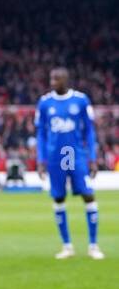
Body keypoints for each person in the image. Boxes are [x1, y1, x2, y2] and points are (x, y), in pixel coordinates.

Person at [36, 67, 102, 259]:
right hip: (55, 157)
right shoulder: (45, 103)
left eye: (56, 79)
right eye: (51, 79)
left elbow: (89, 131)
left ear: (66, 80)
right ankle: (67, 246)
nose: (52, 82)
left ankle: (93, 245)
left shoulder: (80, 100)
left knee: (88, 195)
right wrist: (41, 160)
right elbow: (40, 133)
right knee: (58, 198)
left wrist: (92, 158)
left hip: (75, 155)